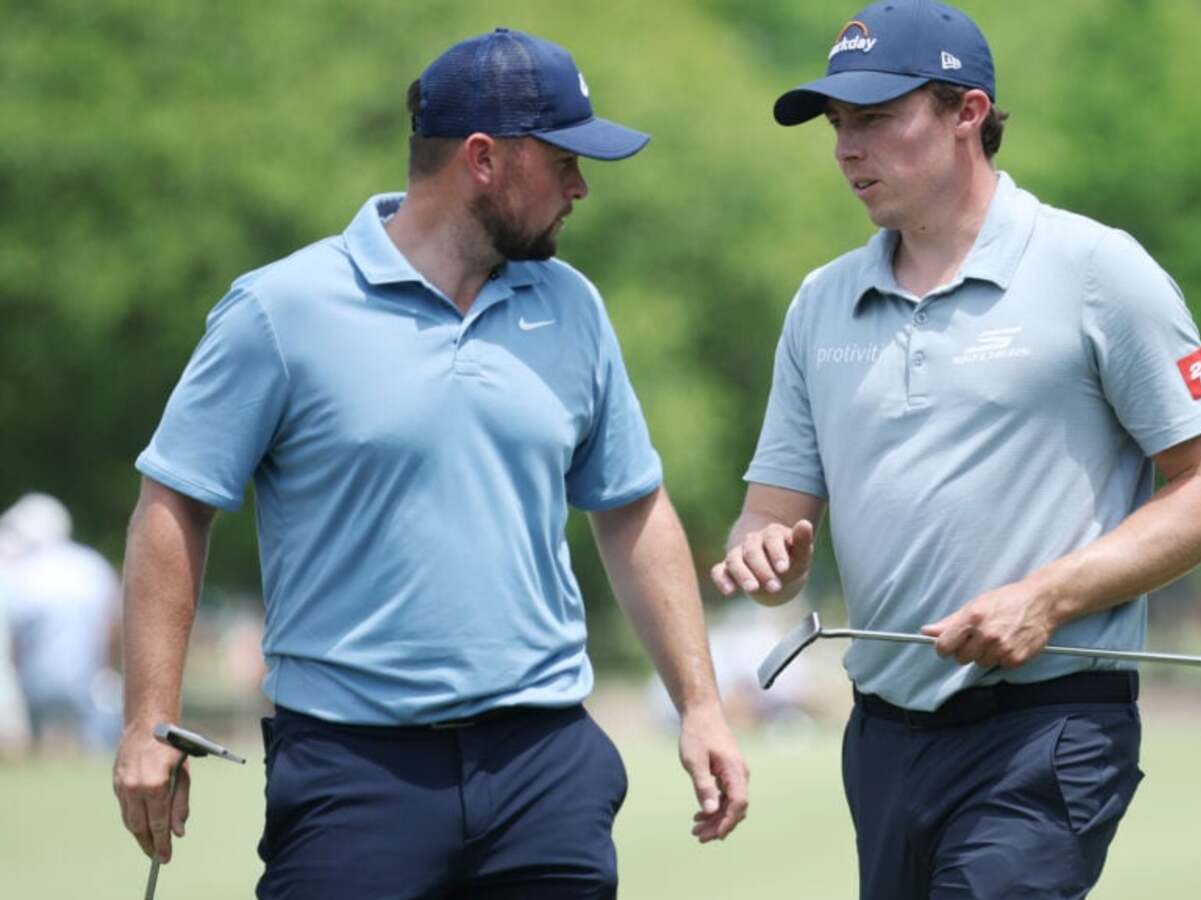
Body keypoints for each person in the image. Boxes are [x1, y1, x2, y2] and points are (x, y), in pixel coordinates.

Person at [112, 27, 748, 899]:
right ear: (484, 160)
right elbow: (173, 505)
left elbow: (631, 509)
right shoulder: (280, 310)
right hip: (353, 771)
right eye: (562, 160)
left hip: (545, 770)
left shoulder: (573, 304)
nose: (580, 186)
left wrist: (700, 704)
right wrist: (149, 719)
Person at [711, 2, 1201, 897]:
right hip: (884, 735)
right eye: (838, 125)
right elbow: (771, 519)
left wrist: (1048, 596)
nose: (847, 148)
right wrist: (762, 553)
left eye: (878, 119)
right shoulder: (821, 302)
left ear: (969, 113)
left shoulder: (1095, 269)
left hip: (1048, 727)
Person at [0, 492, 122, 754]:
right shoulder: (92, 565)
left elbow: (15, 640)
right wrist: (105, 670)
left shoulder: (24, 572)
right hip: (90, 679)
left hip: (35, 681)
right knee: (87, 747)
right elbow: (111, 628)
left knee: (40, 748)